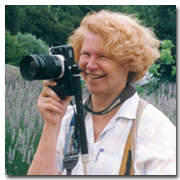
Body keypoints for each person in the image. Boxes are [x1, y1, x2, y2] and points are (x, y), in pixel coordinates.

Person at [27, 10, 176, 175]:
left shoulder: (153, 130)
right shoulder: (67, 121)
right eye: (86, 54)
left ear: (129, 62)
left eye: (103, 56)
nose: (90, 65)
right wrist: (52, 124)